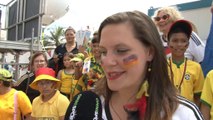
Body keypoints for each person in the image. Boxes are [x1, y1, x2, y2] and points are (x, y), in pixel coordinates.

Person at [64, 11, 204, 120]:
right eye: (103, 52)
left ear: (149, 52)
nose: (106, 61)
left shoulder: (183, 114)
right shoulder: (83, 107)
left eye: (121, 51)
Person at [167, 20, 204, 107]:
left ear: (187, 45)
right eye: (175, 40)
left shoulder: (196, 67)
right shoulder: (161, 66)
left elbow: (198, 96)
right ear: (168, 43)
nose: (179, 44)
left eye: (183, 41)